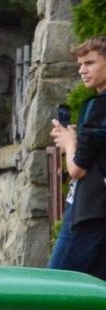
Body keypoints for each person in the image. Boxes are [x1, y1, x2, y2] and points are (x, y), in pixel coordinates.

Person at [49, 36, 106, 278]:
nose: (82, 70)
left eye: (90, 63)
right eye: (80, 64)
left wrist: (69, 143)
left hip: (90, 210)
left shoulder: (98, 106)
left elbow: (77, 169)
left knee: (58, 283)